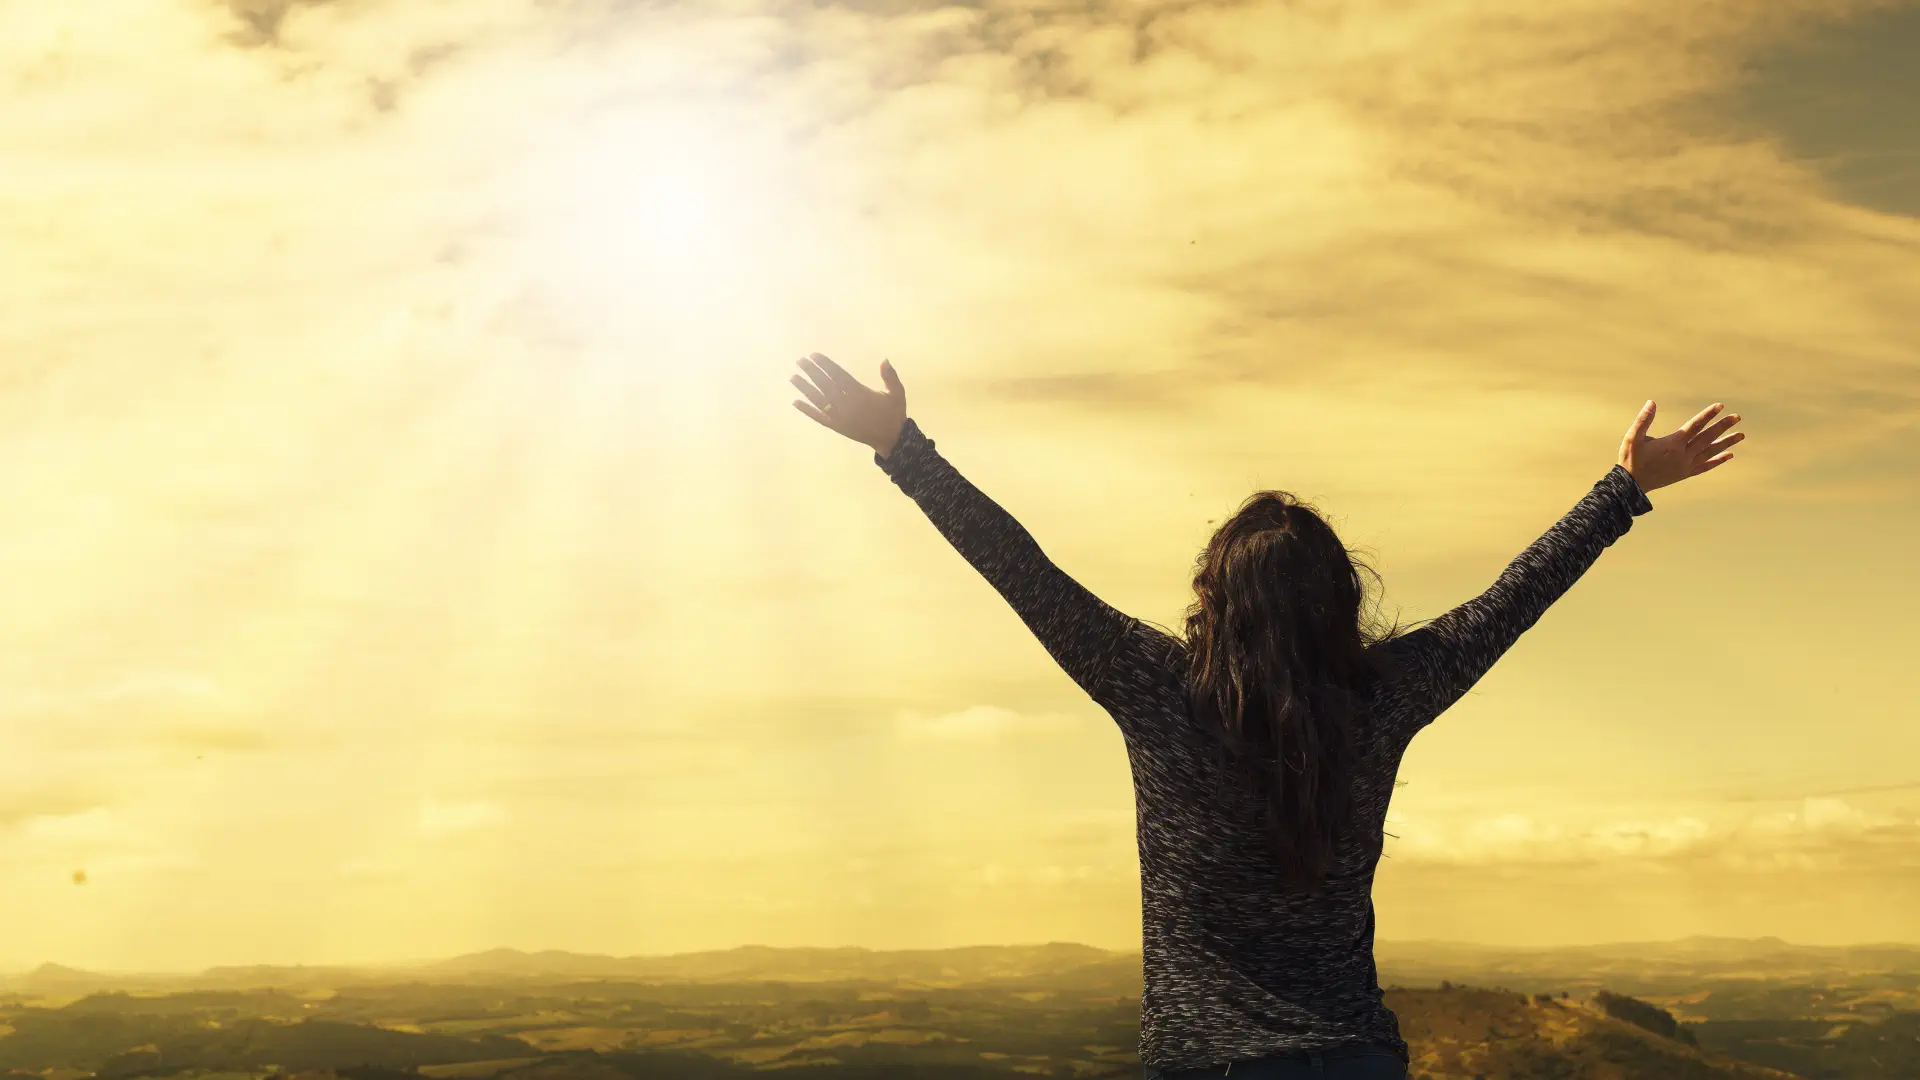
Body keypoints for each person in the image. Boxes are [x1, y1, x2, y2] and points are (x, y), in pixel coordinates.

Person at [788, 352, 1744, 1080]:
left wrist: (901, 449)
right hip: (1355, 1058)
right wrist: (1623, 489)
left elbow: (1023, 571)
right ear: (1339, 597)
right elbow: (1509, 599)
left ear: (1213, 595)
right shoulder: (1384, 695)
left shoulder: (1156, 687)